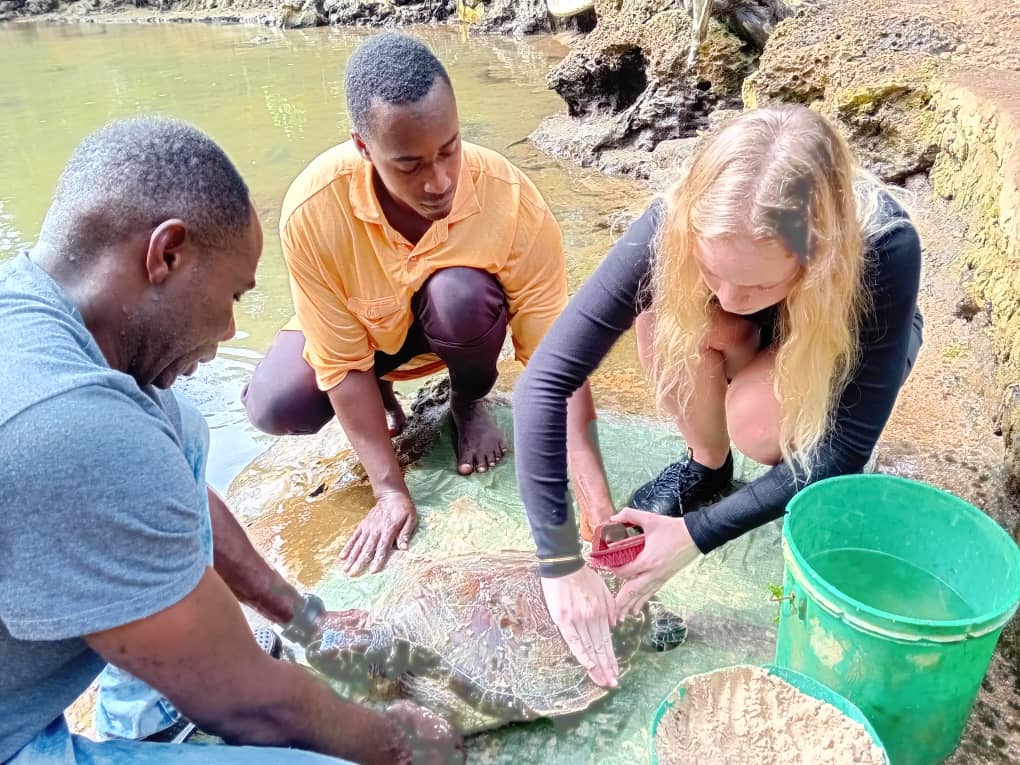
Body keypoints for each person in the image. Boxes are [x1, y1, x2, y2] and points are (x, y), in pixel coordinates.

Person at [0, 117, 463, 765]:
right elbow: (251, 704)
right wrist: (395, 741)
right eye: (233, 294)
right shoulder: (74, 426)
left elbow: (166, 500)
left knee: (175, 427)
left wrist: (306, 621)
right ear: (166, 254)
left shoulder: (29, 312)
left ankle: (149, 715)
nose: (228, 331)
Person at [513, 105, 924, 688]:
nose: (729, 297)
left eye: (757, 281)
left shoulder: (884, 247)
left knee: (758, 424)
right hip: (760, 335)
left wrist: (694, 536)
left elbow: (845, 447)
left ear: (817, 250)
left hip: (840, 340)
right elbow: (545, 382)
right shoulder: (672, 222)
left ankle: (771, 450)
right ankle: (705, 462)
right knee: (664, 315)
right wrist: (557, 559)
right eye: (711, 271)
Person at [242, 32, 610, 577]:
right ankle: (384, 388)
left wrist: (595, 503)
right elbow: (340, 364)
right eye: (410, 164)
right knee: (275, 405)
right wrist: (390, 490)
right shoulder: (312, 209)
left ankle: (466, 401)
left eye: (450, 149)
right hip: (363, 335)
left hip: (459, 329)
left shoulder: (510, 200)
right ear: (363, 149)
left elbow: (558, 361)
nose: (439, 181)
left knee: (459, 295)